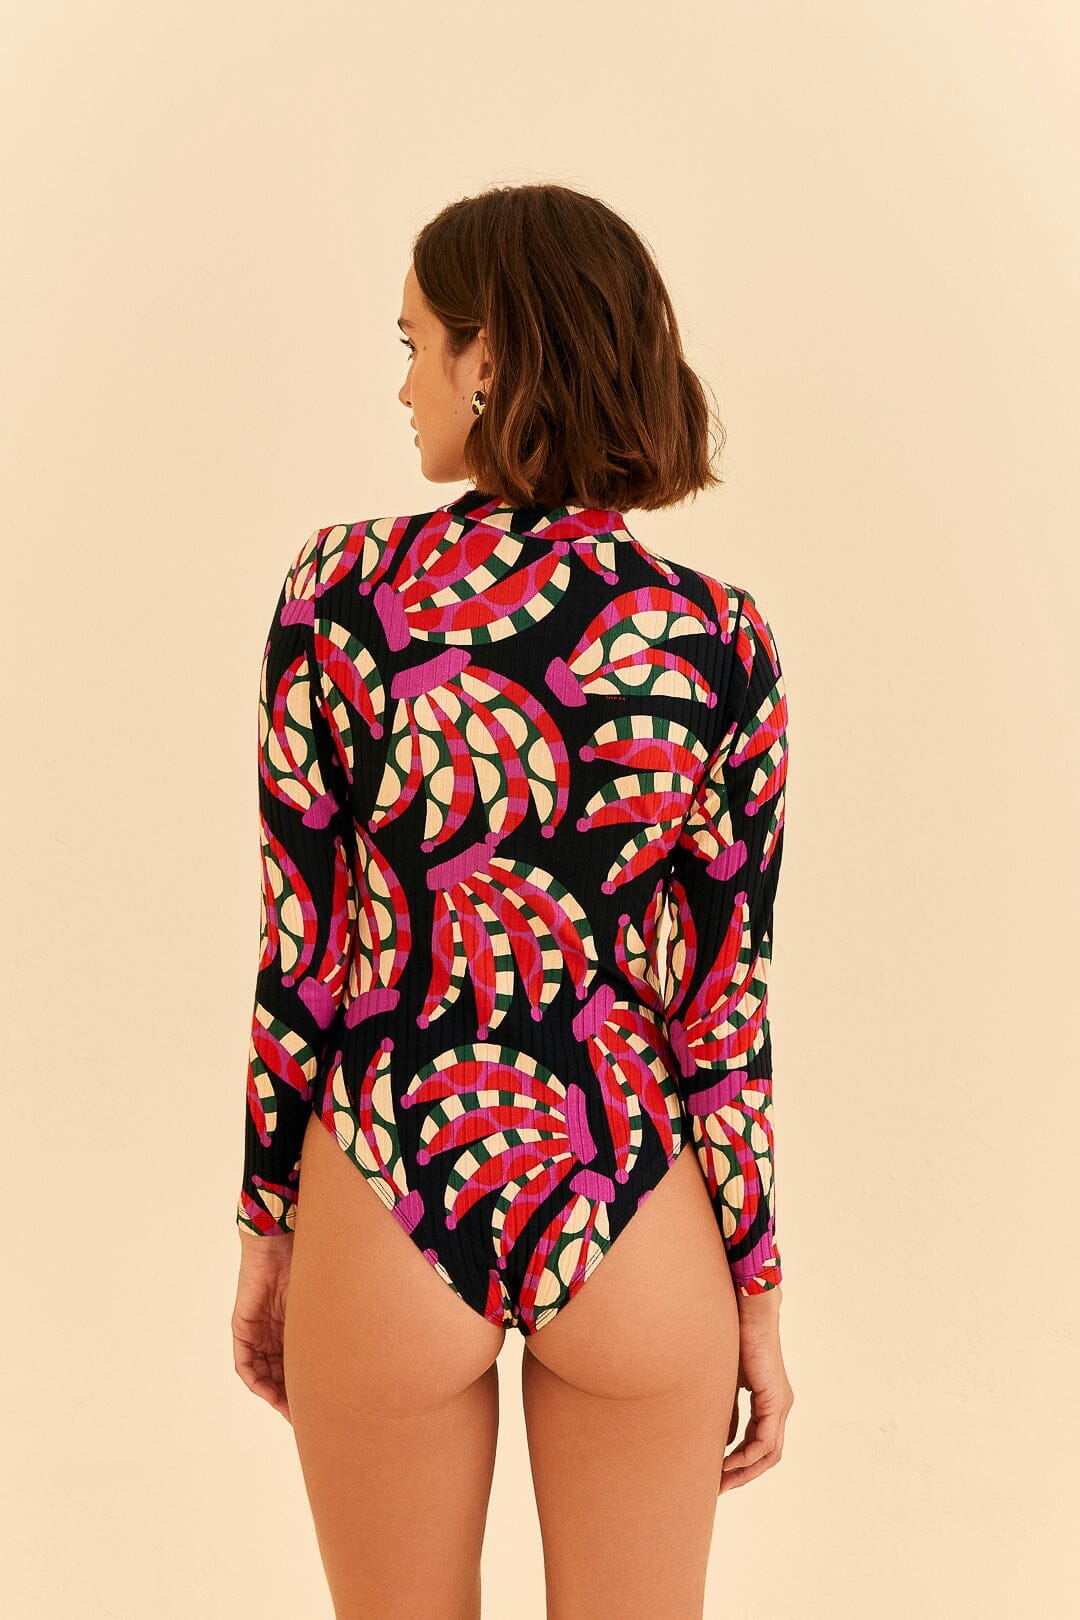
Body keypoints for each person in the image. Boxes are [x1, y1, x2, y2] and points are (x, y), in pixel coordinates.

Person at [231, 181, 794, 1620]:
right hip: (631, 1191)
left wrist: (266, 1222)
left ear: (488, 358)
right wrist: (755, 1289)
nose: (403, 382)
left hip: (390, 1171)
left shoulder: (341, 593)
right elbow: (721, 999)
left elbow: (302, 943)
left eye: (415, 343)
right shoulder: (718, 639)